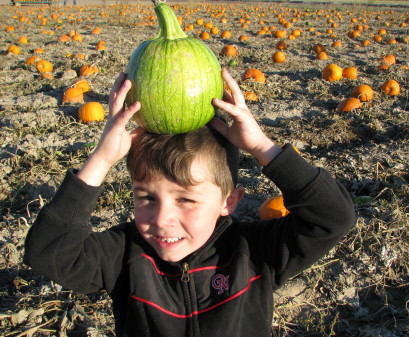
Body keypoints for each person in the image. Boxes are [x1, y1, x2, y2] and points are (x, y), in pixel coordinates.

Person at [24, 69, 355, 336]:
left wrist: (260, 145)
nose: (163, 217)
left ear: (229, 202)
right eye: (147, 197)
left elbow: (333, 217)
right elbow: (48, 251)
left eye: (186, 199)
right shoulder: (125, 256)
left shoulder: (253, 253)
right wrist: (102, 159)